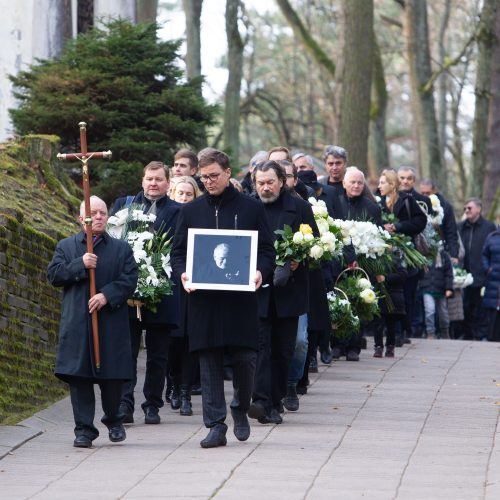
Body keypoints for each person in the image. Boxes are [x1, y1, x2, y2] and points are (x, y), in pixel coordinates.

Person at [171, 148, 275, 448]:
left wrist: (260, 272)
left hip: (241, 300)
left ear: (228, 173)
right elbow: (178, 253)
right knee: (209, 361)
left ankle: (240, 407)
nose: (209, 182)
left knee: (245, 360)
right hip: (204, 300)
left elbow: (267, 251)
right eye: (203, 177)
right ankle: (216, 425)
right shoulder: (190, 211)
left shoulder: (251, 208)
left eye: (214, 176)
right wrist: (183, 275)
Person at [47, 196, 138, 448]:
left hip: (110, 323)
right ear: (81, 219)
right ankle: (84, 430)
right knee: (80, 378)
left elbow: (130, 279)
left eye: (102, 212)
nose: (98, 217)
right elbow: (54, 275)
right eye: (92, 213)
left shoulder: (121, 249)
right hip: (78, 323)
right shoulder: (66, 247)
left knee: (112, 378)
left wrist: (106, 295)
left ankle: (114, 420)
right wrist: (80, 263)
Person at [112, 161, 181, 425]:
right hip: (128, 289)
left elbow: (179, 247)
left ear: (168, 183)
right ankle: (124, 403)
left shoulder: (178, 211)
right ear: (142, 180)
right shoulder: (124, 205)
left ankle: (152, 404)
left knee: (158, 354)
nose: (153, 183)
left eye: (159, 179)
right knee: (126, 351)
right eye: (149, 179)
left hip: (162, 290)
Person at [249, 160, 317, 424]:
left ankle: (275, 399)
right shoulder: (249, 207)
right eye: (260, 183)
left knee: (283, 349)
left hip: (289, 291)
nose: (265, 188)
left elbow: (315, 241)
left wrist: (300, 258)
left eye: (270, 182)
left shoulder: (299, 207)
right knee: (260, 347)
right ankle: (261, 401)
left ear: (282, 181)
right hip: (257, 290)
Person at [378, 169, 426, 345]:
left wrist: (398, 227)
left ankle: (402, 330)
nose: (379, 186)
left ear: (392, 185)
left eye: (383, 183)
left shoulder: (407, 200)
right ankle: (391, 330)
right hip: (384, 252)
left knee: (405, 292)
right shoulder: (377, 201)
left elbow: (421, 221)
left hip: (405, 251)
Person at [167, 175, 202, 416]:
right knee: (173, 340)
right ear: (173, 194)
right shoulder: (169, 216)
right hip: (173, 283)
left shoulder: (200, 216)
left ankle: (186, 392)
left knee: (190, 340)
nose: (185, 198)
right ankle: (172, 386)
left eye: (189, 194)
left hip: (195, 284)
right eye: (181, 194)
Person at [459, 198, 496, 340]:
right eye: (465, 208)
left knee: (481, 307)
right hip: (464, 276)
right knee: (466, 306)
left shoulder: (488, 227)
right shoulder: (460, 227)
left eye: (469, 208)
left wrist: (488, 269)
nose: (466, 211)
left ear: (478, 210)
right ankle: (468, 334)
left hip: (482, 275)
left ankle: (480, 335)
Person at [419, 178, 459, 263]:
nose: (425, 196)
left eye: (428, 193)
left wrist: (454, 254)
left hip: (440, 249)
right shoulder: (418, 204)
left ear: (434, 191)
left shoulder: (445, 206)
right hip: (421, 250)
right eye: (422, 193)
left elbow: (451, 231)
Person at [420, 246, 454, 339]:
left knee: (443, 312)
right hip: (427, 287)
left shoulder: (444, 256)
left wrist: (449, 288)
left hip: (441, 288)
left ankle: (445, 331)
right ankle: (430, 332)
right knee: (429, 310)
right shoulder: (424, 254)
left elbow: (449, 274)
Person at [482, 229, 500, 341]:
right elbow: (484, 254)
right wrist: (487, 269)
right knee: (493, 309)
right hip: (494, 279)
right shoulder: (492, 237)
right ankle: (491, 336)